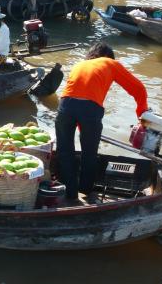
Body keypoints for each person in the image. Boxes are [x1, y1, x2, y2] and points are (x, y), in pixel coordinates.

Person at [55, 43, 148, 204]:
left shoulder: (80, 64)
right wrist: (142, 115)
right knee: (89, 153)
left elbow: (76, 99)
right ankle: (85, 191)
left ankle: (70, 195)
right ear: (108, 56)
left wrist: (83, 126)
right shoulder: (110, 63)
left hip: (65, 105)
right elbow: (139, 89)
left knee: (65, 152)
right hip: (90, 108)